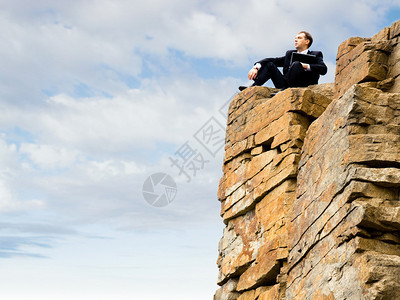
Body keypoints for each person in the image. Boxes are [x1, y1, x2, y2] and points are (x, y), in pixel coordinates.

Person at [239, 31, 327, 91]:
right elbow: (271, 60)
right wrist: (256, 67)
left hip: (303, 86)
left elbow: (323, 69)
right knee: (270, 65)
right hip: (284, 85)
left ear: (307, 41)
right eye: (295, 38)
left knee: (296, 64)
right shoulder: (290, 54)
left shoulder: (316, 54)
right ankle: (252, 88)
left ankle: (285, 90)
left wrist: (304, 65)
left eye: (299, 38)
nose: (295, 40)